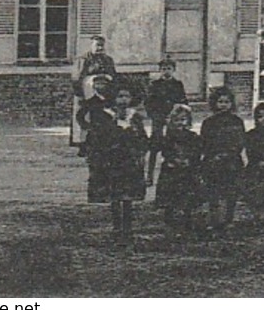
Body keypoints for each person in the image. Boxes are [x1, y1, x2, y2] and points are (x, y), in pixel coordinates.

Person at [87, 77, 148, 244]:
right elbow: (98, 138)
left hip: (129, 162)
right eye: (120, 96)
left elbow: (143, 138)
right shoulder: (106, 116)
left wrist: (139, 151)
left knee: (128, 196)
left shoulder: (134, 117)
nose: (123, 100)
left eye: (127, 96)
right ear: (113, 97)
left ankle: (127, 227)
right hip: (113, 161)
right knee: (114, 194)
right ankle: (116, 225)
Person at [153, 104, 204, 236]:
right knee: (171, 199)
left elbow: (197, 152)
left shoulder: (193, 137)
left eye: (183, 119)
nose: (180, 123)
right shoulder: (168, 138)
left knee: (187, 199)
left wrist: (190, 160)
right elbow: (165, 151)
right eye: (177, 120)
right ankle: (170, 226)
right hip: (172, 171)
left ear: (188, 121)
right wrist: (173, 160)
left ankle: (187, 225)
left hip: (188, 172)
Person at [200, 86, 247, 230]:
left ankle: (229, 218)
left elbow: (240, 141)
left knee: (231, 191)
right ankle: (214, 219)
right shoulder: (209, 122)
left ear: (231, 103)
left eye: (227, 102)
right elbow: (204, 142)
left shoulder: (236, 121)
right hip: (213, 161)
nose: (223, 105)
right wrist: (214, 155)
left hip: (232, 161)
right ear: (214, 103)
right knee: (213, 192)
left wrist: (230, 153)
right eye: (220, 101)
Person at [144, 58, 188, 186]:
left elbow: (183, 101)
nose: (166, 71)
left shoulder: (178, 84)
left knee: (172, 147)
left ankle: (171, 177)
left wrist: (177, 115)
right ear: (160, 70)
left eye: (169, 69)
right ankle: (149, 176)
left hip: (173, 120)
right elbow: (148, 103)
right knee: (154, 148)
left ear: (174, 70)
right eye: (164, 69)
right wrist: (155, 116)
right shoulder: (155, 85)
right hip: (158, 120)